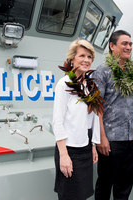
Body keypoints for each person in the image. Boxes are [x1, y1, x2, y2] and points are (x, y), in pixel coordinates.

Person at [93, 30, 133, 200]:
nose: (128, 47)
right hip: (111, 139)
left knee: (125, 185)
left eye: (130, 44)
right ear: (112, 46)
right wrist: (101, 138)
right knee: (105, 184)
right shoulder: (102, 71)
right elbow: (96, 106)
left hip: (131, 138)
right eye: (124, 43)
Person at [52, 38, 104, 200]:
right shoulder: (64, 84)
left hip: (86, 147)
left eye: (89, 57)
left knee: (83, 194)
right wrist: (64, 156)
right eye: (82, 55)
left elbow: (93, 118)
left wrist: (93, 145)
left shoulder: (90, 86)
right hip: (69, 149)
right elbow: (57, 121)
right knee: (69, 195)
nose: (86, 60)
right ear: (72, 58)